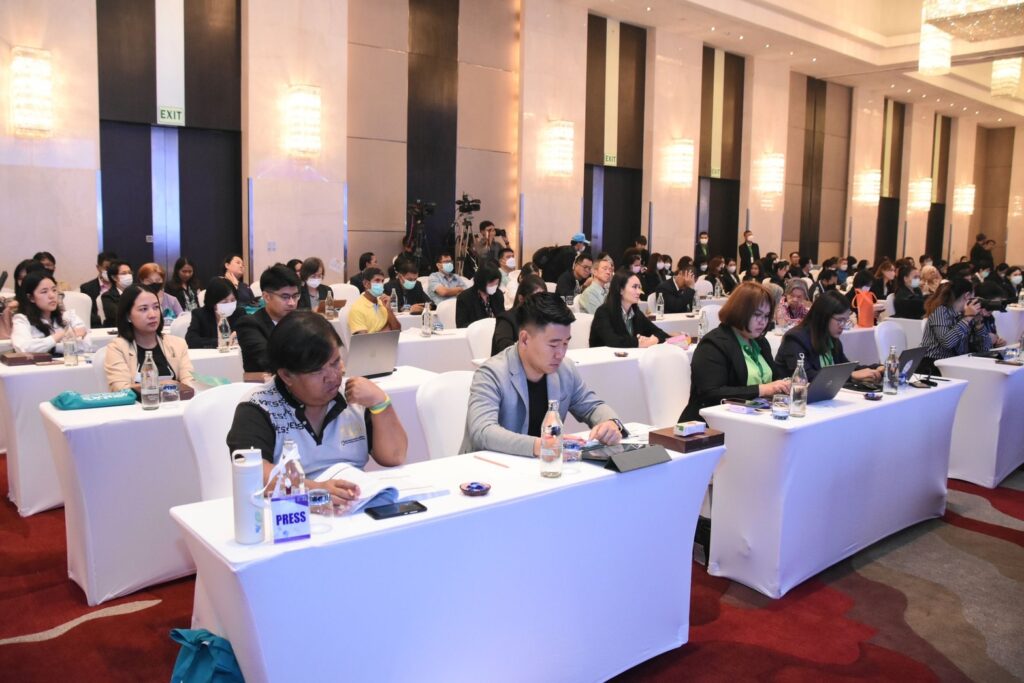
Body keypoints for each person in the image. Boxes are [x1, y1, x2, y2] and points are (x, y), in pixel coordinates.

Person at [226, 311, 407, 503]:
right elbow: (254, 473)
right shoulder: (259, 406)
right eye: (317, 371)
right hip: (289, 512)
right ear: (286, 375)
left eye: (335, 362)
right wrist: (315, 491)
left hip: (353, 504)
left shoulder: (354, 396)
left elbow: (394, 457)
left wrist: (381, 403)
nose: (333, 377)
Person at [461, 293, 624, 456]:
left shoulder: (565, 369)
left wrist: (611, 423)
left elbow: (592, 406)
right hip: (489, 466)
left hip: (543, 466)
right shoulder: (491, 373)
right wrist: (542, 445)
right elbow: (482, 431)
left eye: (565, 343)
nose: (560, 353)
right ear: (524, 339)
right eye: (553, 345)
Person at [679, 282, 790, 422]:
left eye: (766, 316)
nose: (763, 322)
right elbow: (710, 393)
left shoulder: (760, 342)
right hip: (711, 424)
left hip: (755, 418)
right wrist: (762, 389)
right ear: (740, 311)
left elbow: (774, 378)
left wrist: (786, 384)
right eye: (757, 315)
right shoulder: (713, 344)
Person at [776, 291, 883, 383]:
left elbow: (846, 367)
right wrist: (850, 376)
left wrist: (876, 368)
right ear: (824, 317)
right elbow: (805, 376)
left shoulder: (831, 339)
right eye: (840, 320)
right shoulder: (795, 339)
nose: (843, 325)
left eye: (845, 320)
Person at [104, 285, 194, 391]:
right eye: (143, 309)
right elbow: (120, 388)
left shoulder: (177, 344)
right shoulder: (117, 348)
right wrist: (162, 385)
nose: (152, 315)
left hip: (175, 400)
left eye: (156, 307)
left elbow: (189, 382)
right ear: (128, 316)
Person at [236, 265, 300, 375]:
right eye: (285, 297)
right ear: (266, 297)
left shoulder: (300, 321)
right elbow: (267, 359)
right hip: (265, 383)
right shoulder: (249, 324)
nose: (292, 303)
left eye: (295, 296)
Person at [922, 278, 992, 374]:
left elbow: (985, 349)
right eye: (973, 296)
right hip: (933, 365)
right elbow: (947, 342)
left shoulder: (965, 314)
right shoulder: (941, 312)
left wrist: (978, 324)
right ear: (967, 296)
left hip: (957, 364)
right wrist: (967, 318)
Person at [10, 271, 88, 354]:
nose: (52, 295)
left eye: (54, 290)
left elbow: (86, 345)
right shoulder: (22, 320)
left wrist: (53, 348)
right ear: (31, 298)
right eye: (44, 292)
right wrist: (63, 334)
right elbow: (23, 348)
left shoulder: (68, 316)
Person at [589, 271, 668, 348]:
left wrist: (653, 340)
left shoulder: (636, 312)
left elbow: (660, 333)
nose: (639, 292)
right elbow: (613, 341)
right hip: (604, 356)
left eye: (639, 287)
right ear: (621, 290)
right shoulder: (603, 312)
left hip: (629, 355)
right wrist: (640, 343)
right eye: (634, 287)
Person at [491, 274, 546, 355]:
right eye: (535, 299)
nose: (540, 303)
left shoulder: (543, 318)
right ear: (521, 298)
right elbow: (503, 346)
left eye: (543, 299)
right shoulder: (506, 319)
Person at [185, 277, 243, 349]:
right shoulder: (199, 315)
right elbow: (191, 340)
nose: (230, 304)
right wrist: (220, 342)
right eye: (224, 302)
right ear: (213, 302)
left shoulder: (239, 313)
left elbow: (250, 334)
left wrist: (239, 338)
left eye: (233, 300)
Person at [1, 259, 48, 340]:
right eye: (20, 279)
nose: (23, 282)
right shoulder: (10, 305)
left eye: (27, 278)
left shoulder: (52, 300)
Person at [348, 267, 402, 334]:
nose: (381, 284)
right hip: (376, 341)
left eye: (382, 281)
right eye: (377, 280)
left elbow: (397, 330)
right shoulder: (357, 309)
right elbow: (363, 339)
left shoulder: (383, 302)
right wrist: (386, 328)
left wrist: (389, 310)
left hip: (388, 340)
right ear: (366, 284)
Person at [455, 264, 505, 328]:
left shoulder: (498, 294)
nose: (494, 287)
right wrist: (483, 326)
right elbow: (461, 325)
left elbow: (502, 318)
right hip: (474, 332)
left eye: (496, 284)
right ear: (481, 281)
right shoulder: (464, 297)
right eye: (491, 283)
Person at [80, 251, 118, 327]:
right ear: (98, 267)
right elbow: (87, 314)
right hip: (97, 328)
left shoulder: (121, 286)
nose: (110, 271)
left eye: (112, 268)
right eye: (107, 268)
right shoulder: (86, 288)